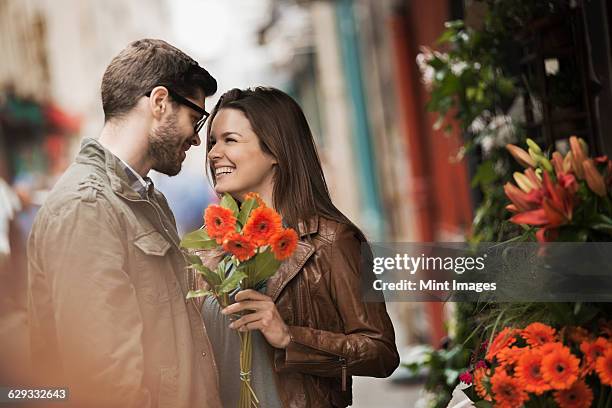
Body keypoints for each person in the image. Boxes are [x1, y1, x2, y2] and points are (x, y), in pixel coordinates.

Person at [27, 39, 222, 408]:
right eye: (196, 119)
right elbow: (108, 383)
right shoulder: (87, 206)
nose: (197, 138)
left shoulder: (144, 198)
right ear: (160, 102)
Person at [198, 87, 399, 407]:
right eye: (213, 142)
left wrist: (290, 338)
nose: (212, 153)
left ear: (275, 150)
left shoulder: (333, 241)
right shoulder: (210, 249)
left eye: (229, 140)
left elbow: (381, 353)